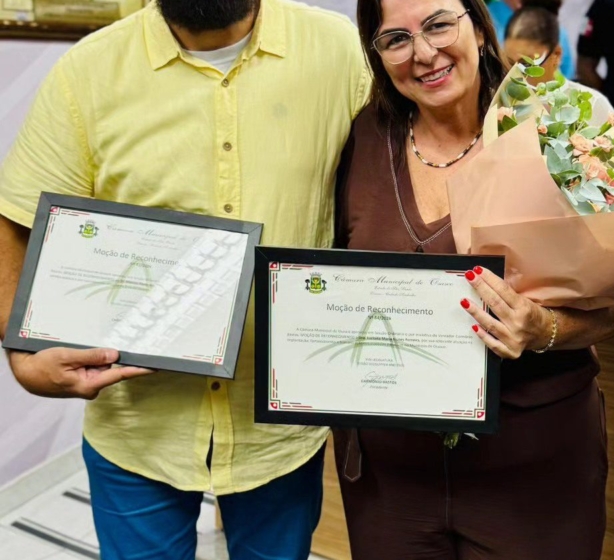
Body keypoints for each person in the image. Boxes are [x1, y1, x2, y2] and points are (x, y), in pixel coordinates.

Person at [0, 0, 370, 558]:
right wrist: (22, 355)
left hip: (277, 431)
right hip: (137, 426)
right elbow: (15, 220)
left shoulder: (338, 50)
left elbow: (405, 170)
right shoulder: (89, 72)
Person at [334, 0, 614, 558]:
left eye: (439, 24)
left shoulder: (565, 126)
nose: (424, 53)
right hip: (391, 485)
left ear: (477, 24)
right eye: (394, 38)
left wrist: (543, 327)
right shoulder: (361, 140)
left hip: (533, 476)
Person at [503, 4, 614, 126]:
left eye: (527, 64)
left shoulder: (593, 105)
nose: (516, 75)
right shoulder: (498, 106)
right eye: (509, 63)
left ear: (556, 55)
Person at [486, 0, 576, 76]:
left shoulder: (557, 31)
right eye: (510, 63)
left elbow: (566, 73)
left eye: (527, 65)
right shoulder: (487, 18)